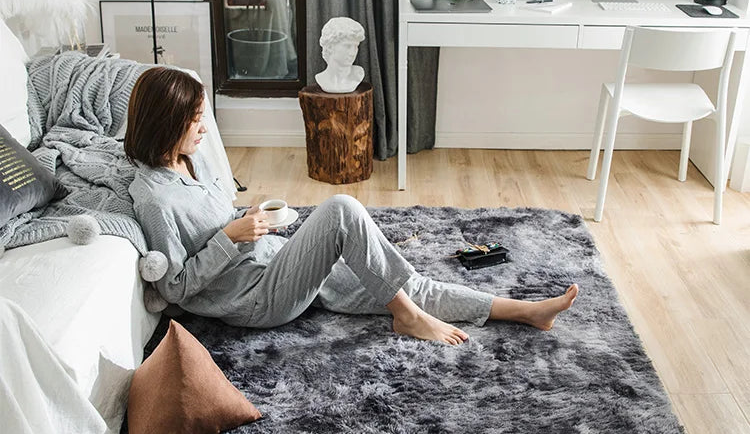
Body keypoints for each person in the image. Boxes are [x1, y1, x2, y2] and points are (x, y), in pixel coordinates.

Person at [125, 67, 578, 346]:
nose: (205, 128)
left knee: (398, 284)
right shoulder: (154, 198)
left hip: (274, 261)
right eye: (195, 120)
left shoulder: (189, 159)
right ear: (167, 123)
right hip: (257, 299)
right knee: (341, 209)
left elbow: (216, 224)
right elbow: (175, 288)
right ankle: (408, 317)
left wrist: (245, 221)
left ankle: (526, 311)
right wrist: (230, 237)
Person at [314, 17, 365, 93]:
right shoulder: (321, 78)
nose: (352, 53)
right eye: (347, 46)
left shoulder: (357, 76)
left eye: (356, 46)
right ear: (330, 47)